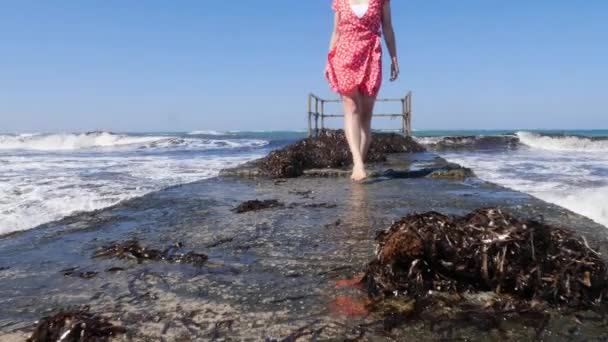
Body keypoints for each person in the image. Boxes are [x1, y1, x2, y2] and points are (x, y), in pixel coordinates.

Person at [325, 0, 399, 181]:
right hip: (344, 56)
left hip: (371, 54)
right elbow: (336, 31)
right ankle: (358, 164)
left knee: (366, 113)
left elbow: (387, 27)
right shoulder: (340, 2)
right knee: (351, 107)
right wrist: (329, 60)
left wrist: (394, 58)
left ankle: (359, 163)